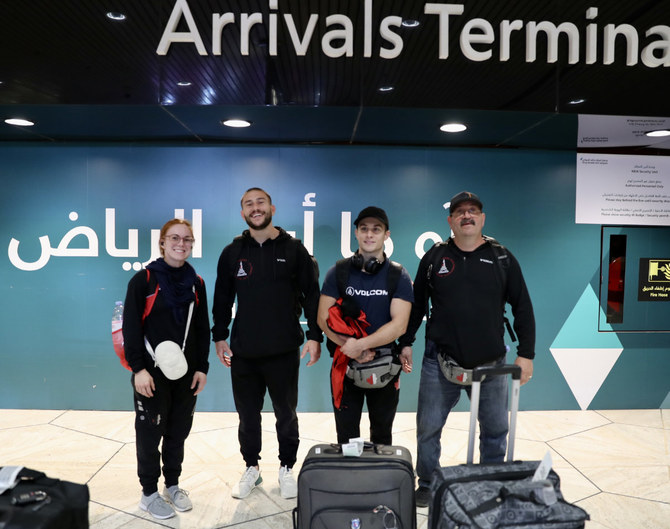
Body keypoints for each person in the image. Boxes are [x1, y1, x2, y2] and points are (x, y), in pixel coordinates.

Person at [399, 191, 535, 508]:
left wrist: (526, 353)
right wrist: (406, 342)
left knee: (495, 430)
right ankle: (429, 483)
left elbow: (523, 307)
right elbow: (417, 305)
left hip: (492, 364)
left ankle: (488, 482)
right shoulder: (434, 258)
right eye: (460, 212)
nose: (467, 215)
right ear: (450, 221)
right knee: (428, 429)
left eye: (473, 210)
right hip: (439, 361)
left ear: (482, 218)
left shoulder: (502, 258)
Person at [212, 187, 322, 500]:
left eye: (260, 202)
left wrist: (315, 335)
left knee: (286, 414)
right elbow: (222, 297)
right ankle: (252, 468)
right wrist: (219, 335)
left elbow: (311, 296)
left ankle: (287, 467)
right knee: (247, 416)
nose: (255, 208)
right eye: (249, 204)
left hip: (284, 350)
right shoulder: (232, 253)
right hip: (244, 352)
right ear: (242, 212)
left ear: (272, 207)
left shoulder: (295, 249)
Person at [122, 218, 210, 520]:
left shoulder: (196, 283)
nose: (181, 244)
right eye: (174, 238)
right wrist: (138, 370)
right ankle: (148, 493)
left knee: (178, 431)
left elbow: (201, 330)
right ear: (162, 242)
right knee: (149, 434)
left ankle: (172, 485)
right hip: (151, 375)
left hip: (185, 375)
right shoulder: (144, 280)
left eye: (187, 239)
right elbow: (130, 328)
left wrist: (202, 368)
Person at [318, 206, 414, 445]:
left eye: (376, 229)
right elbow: (323, 318)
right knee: (346, 437)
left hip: (386, 367)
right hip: (346, 364)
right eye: (364, 229)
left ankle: (381, 482)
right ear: (356, 234)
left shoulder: (398, 275)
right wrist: (348, 346)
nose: (369, 234)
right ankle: (349, 481)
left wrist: (361, 345)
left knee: (382, 435)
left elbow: (399, 325)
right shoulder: (338, 272)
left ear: (386, 235)